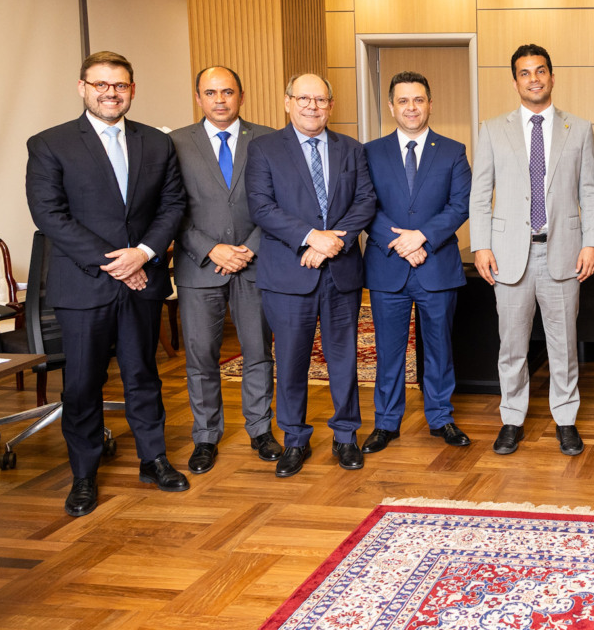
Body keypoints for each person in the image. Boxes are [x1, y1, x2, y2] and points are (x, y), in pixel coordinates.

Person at [26, 51, 189, 516]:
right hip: (84, 286)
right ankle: (83, 475)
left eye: (119, 85)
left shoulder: (156, 144)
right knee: (81, 383)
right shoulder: (50, 143)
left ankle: (153, 458)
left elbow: (173, 205)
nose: (110, 93)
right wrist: (115, 261)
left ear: (132, 90)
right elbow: (50, 216)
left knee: (143, 375)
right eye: (100, 85)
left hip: (143, 279)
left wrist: (144, 253)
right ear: (82, 88)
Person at [245, 73, 377, 477]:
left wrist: (333, 243)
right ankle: (295, 440)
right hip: (288, 273)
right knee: (290, 361)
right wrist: (310, 239)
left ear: (330, 106)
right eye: (303, 98)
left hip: (341, 272)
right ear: (287, 102)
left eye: (320, 100)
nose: (312, 106)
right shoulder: (264, 149)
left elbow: (365, 200)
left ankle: (345, 436)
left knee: (343, 359)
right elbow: (261, 207)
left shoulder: (351, 149)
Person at [470, 45, 594, 456]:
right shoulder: (492, 129)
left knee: (563, 345)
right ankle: (512, 418)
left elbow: (590, 192)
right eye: (524, 73)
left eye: (540, 71)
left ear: (552, 76)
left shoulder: (578, 129)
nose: (533, 79)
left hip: (562, 251)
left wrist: (592, 242)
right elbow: (479, 195)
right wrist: (481, 245)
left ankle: (566, 419)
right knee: (512, 346)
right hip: (509, 255)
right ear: (515, 81)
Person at [170, 66, 281, 474]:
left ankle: (260, 430)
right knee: (201, 356)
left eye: (228, 92)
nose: (220, 99)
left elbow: (279, 203)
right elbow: (170, 209)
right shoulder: (175, 143)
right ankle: (205, 437)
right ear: (198, 97)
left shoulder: (269, 139)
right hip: (199, 266)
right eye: (211, 92)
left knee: (257, 352)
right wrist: (211, 248)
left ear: (242, 96)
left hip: (255, 264)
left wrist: (247, 249)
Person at [362, 71, 471, 452]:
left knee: (439, 348)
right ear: (391, 106)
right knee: (388, 350)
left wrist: (422, 237)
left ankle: (441, 417)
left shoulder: (453, 150)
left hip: (436, 265)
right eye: (403, 101)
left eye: (419, 100)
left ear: (429, 103)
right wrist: (401, 243)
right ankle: (387, 422)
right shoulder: (370, 152)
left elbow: (461, 204)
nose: (411, 108)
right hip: (386, 266)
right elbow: (364, 207)